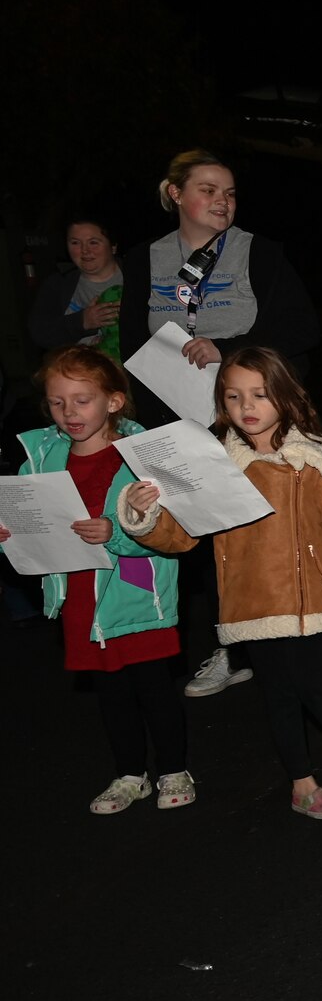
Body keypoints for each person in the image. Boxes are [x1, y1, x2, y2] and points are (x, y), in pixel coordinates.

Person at [118, 347, 322, 823]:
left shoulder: (317, 459)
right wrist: (145, 515)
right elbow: (182, 537)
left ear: (285, 396)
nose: (247, 406)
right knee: (279, 696)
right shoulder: (216, 464)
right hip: (249, 607)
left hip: (312, 605)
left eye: (261, 394)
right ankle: (302, 785)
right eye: (234, 395)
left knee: (317, 690)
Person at [124, 149, 319, 699]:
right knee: (204, 538)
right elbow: (135, 346)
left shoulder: (261, 253)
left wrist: (228, 349)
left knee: (268, 530)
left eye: (229, 192)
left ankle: (297, 642)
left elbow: (302, 330)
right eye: (208, 190)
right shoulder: (144, 259)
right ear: (175, 195)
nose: (222, 201)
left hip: (247, 417)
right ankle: (231, 648)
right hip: (178, 418)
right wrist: (149, 425)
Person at [2, 348, 191, 815]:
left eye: (81, 400)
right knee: (111, 692)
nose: (69, 413)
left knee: (153, 688)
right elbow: (35, 529)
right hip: (80, 596)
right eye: (57, 402)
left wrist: (117, 530)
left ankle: (174, 769)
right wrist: (10, 536)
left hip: (137, 593)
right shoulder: (42, 455)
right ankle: (130, 774)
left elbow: (171, 530)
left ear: (113, 402)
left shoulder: (143, 454)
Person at [29, 219, 124, 356]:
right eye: (75, 243)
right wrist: (82, 322)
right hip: (79, 371)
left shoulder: (138, 278)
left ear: (113, 246)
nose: (85, 250)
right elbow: (39, 334)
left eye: (93, 242)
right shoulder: (58, 284)